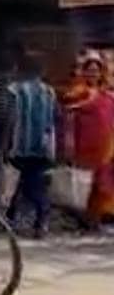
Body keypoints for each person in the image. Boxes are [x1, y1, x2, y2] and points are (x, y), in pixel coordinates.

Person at [5, 55, 58, 238]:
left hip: (20, 146)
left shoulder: (14, 90)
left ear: (20, 70)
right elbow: (53, 120)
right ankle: (14, 217)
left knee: (28, 185)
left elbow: (10, 120)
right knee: (28, 182)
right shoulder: (49, 92)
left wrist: (4, 145)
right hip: (43, 147)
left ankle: (40, 219)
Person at [60, 53, 114, 229]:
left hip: (105, 148)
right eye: (90, 70)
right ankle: (85, 219)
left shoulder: (107, 96)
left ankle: (97, 220)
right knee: (84, 186)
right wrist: (68, 144)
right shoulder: (76, 93)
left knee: (103, 186)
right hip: (83, 147)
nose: (93, 74)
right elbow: (68, 119)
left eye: (96, 71)